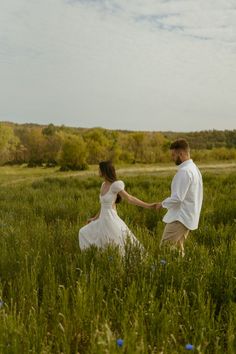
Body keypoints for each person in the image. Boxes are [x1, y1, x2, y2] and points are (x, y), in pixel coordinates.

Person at [79, 160, 156, 253]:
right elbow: (103, 206)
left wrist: (148, 205)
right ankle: (96, 258)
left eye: (99, 169)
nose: (98, 171)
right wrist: (94, 218)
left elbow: (130, 198)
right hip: (102, 219)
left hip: (110, 219)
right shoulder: (103, 185)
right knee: (83, 232)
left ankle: (124, 261)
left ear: (104, 171)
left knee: (115, 243)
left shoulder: (115, 185)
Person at [156, 138, 203, 256]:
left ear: (181, 154)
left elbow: (178, 198)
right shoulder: (194, 169)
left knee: (165, 249)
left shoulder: (185, 172)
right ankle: (180, 272)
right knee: (177, 250)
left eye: (173, 155)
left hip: (179, 218)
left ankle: (165, 274)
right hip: (187, 217)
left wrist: (162, 204)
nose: (172, 158)